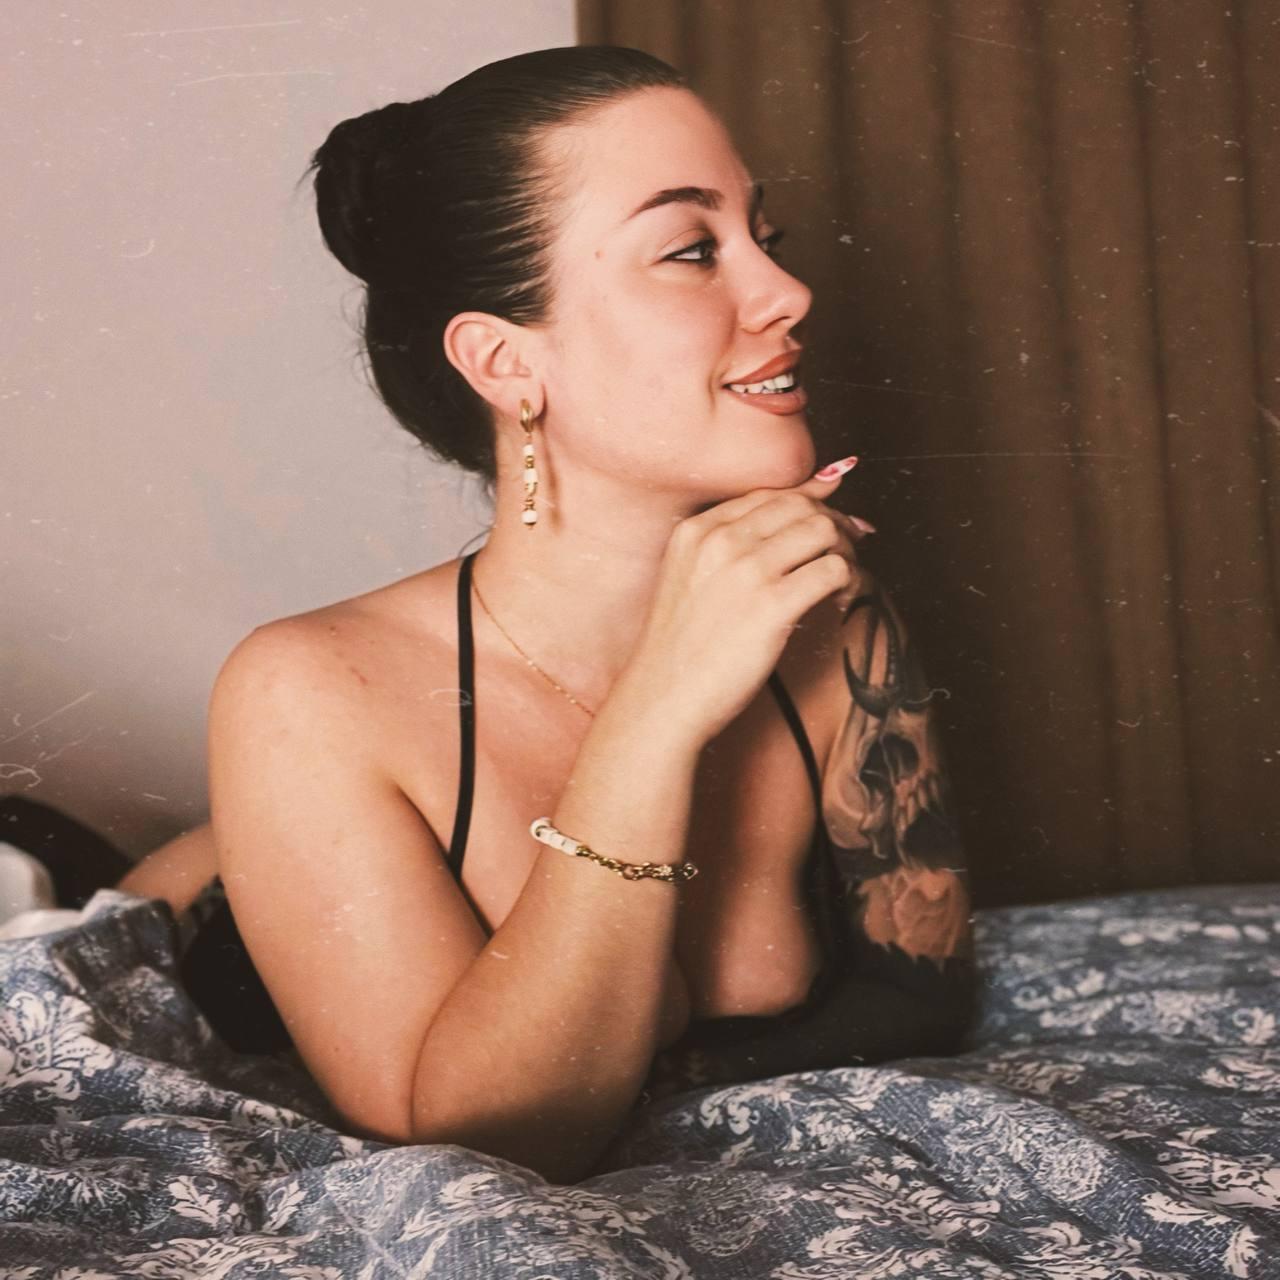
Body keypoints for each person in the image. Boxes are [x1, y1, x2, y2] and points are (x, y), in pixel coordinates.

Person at [115, 44, 977, 1185]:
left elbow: (923, 988)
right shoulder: (306, 688)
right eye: (691, 249)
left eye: (765, 237)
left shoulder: (824, 611)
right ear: (502, 362)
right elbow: (484, 1142)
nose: (787, 292)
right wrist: (657, 712)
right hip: (174, 915)